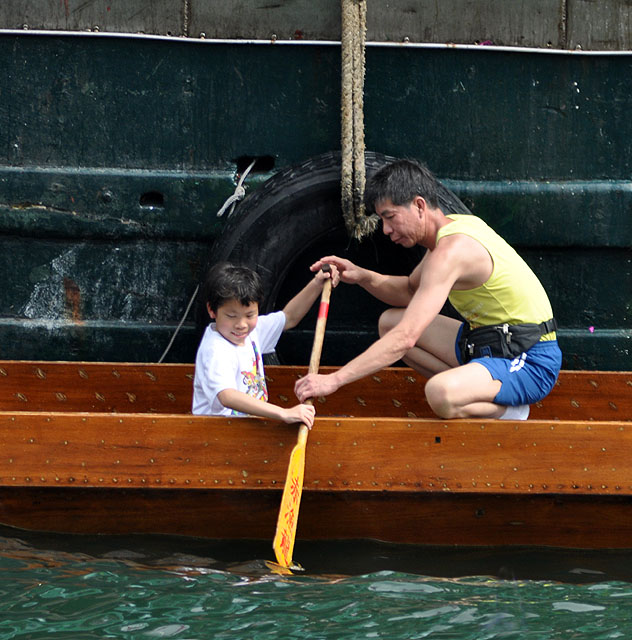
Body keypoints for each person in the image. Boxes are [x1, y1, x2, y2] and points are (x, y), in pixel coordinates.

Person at [294, 159, 562, 420]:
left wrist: (334, 381)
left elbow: (406, 338)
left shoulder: (450, 252)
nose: (385, 230)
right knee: (389, 322)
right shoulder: (451, 230)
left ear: (419, 205)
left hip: (530, 360)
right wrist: (362, 276)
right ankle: (472, 386)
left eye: (390, 217)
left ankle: (510, 411)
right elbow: (410, 291)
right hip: (488, 344)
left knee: (440, 393)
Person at [193, 261, 338, 425]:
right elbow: (227, 396)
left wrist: (318, 282)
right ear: (212, 310)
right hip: (217, 435)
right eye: (231, 316)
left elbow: (289, 317)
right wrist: (283, 413)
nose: (241, 324)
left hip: (247, 431)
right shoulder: (215, 349)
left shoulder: (252, 332)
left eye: (249, 315)